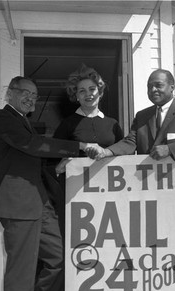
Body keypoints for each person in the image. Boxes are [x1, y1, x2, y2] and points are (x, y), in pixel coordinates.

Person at [0, 76, 93, 291]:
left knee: (58, 255)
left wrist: (58, 168)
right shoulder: (3, 118)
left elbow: (32, 156)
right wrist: (77, 146)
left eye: (34, 96)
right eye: (24, 93)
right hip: (18, 205)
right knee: (20, 272)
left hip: (38, 203)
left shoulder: (22, 121)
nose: (30, 99)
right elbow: (31, 146)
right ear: (9, 93)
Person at [49, 65, 124, 233]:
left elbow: (123, 153)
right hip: (77, 194)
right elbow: (54, 155)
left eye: (92, 89)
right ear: (76, 96)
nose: (88, 94)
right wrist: (63, 163)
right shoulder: (67, 124)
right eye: (82, 91)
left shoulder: (113, 124)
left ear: (100, 91)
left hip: (108, 191)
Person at [85, 69, 175, 161]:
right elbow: (130, 142)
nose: (153, 90)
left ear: (172, 87)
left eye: (158, 85)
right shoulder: (142, 116)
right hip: (148, 186)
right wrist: (106, 152)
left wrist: (170, 149)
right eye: (149, 87)